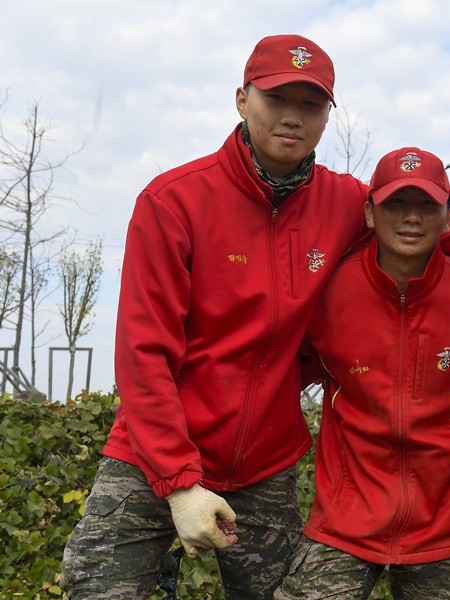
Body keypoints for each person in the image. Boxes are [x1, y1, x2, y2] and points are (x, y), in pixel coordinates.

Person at [60, 34, 375, 599]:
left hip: (266, 464)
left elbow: (421, 216)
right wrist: (180, 484)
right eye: (277, 98)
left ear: (328, 114)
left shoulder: (346, 203)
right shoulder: (174, 201)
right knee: (95, 587)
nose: (293, 117)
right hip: (151, 457)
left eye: (311, 104)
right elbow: (143, 354)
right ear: (240, 99)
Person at [274, 147, 450, 599]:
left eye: (427, 205)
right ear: (370, 214)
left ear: (449, 217)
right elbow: (285, 370)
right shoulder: (331, 291)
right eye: (396, 203)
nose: (411, 218)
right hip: (343, 522)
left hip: (443, 529)